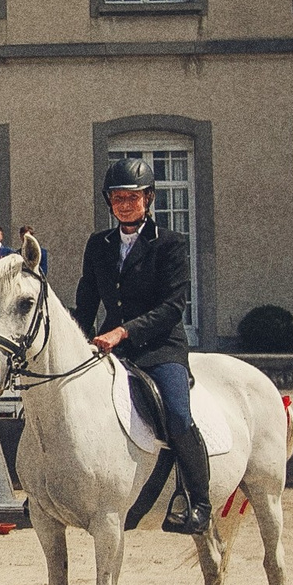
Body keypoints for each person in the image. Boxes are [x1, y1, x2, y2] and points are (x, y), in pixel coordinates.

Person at [76, 156, 212, 535]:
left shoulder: (171, 244)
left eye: (132, 198)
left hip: (159, 347)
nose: (124, 204)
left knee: (176, 412)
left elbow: (172, 308)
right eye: (117, 198)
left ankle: (198, 502)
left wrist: (123, 332)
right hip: (110, 348)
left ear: (148, 198)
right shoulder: (98, 245)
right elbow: (87, 299)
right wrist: (77, 339)